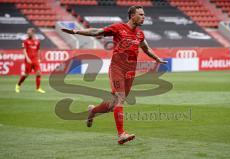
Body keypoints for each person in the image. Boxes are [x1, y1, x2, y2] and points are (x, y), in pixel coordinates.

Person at [61, 6, 167, 144]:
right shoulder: (118, 28)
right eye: (140, 14)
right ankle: (121, 134)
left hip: (130, 72)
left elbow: (146, 48)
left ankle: (93, 111)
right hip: (117, 68)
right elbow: (96, 31)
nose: (143, 17)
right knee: (120, 98)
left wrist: (156, 58)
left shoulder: (140, 34)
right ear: (132, 16)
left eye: (144, 14)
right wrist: (76, 31)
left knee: (112, 105)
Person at [15, 28, 45, 93]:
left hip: (35, 60)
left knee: (39, 73)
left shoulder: (37, 41)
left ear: (33, 33)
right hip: (28, 60)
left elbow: (38, 50)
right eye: (27, 33)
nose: (28, 34)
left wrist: (40, 58)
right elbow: (24, 50)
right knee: (26, 75)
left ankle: (38, 88)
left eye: (29, 33)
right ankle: (18, 85)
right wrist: (27, 58)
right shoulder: (25, 41)